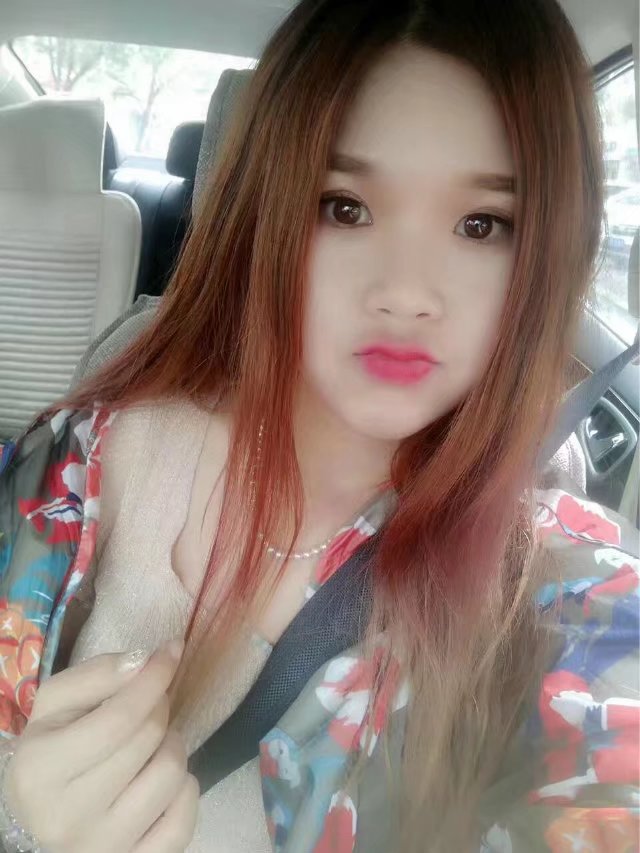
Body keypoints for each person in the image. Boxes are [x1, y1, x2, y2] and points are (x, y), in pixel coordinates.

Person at [0, 0, 638, 850]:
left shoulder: (555, 591)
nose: (406, 291)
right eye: (344, 207)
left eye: (481, 225)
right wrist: (20, 814)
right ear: (263, 213)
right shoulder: (83, 458)